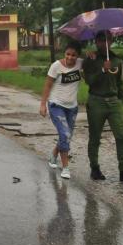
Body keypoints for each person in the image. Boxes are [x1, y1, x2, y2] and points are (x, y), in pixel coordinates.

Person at [83, 31, 123, 182]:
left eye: (107, 39)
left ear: (111, 41)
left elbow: (118, 82)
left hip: (114, 102)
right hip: (96, 101)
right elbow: (89, 81)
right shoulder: (90, 59)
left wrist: (121, 99)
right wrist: (102, 70)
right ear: (96, 41)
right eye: (101, 40)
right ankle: (95, 168)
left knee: (121, 135)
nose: (104, 43)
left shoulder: (116, 60)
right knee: (95, 137)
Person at [40, 42, 83, 179]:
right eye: (68, 54)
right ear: (64, 54)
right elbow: (47, 86)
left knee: (67, 135)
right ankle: (65, 168)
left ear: (78, 56)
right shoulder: (56, 66)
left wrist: (92, 56)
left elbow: (92, 65)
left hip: (72, 107)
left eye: (74, 55)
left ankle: (53, 155)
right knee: (65, 134)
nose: (70, 57)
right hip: (56, 105)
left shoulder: (80, 64)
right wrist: (42, 105)